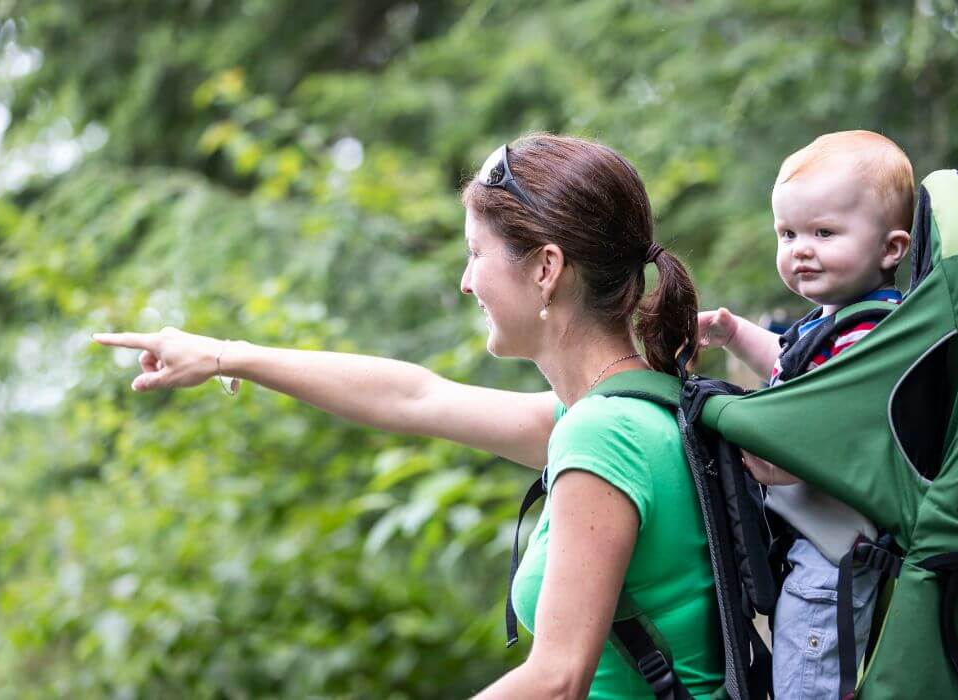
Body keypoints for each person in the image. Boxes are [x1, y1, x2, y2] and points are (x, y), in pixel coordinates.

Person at [94, 134, 724, 699]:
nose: (465, 281)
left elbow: (557, 681)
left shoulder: (601, 435)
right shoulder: (633, 408)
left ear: (545, 269)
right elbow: (415, 398)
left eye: (476, 254)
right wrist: (226, 355)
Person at [698, 130, 913, 699]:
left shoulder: (873, 335)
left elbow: (829, 432)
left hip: (835, 553)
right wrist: (735, 333)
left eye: (824, 232)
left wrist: (757, 449)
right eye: (788, 233)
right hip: (813, 544)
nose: (800, 249)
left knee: (805, 685)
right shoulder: (835, 321)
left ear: (891, 249)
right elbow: (793, 370)